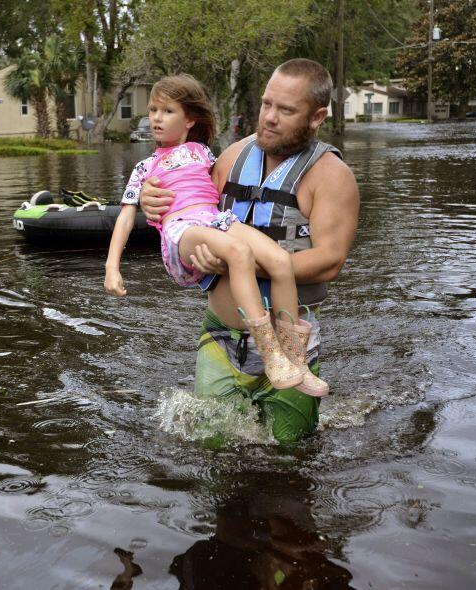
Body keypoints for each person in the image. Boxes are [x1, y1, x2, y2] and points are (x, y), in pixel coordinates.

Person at [139, 59, 360, 443]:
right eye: (266, 104)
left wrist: (242, 264)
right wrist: (149, 201)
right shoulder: (231, 158)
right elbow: (187, 217)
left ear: (317, 117)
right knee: (213, 447)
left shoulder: (331, 175)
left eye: (286, 110)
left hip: (290, 347)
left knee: (291, 452)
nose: (270, 118)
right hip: (221, 336)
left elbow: (330, 261)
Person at [104, 74, 327, 397]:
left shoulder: (205, 155)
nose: (155, 117)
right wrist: (113, 266)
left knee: (280, 260)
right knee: (239, 252)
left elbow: (219, 181)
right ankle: (271, 354)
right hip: (183, 230)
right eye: (153, 110)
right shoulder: (144, 168)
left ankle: (295, 360)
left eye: (167, 111)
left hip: (215, 219)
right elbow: (125, 216)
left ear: (190, 120)